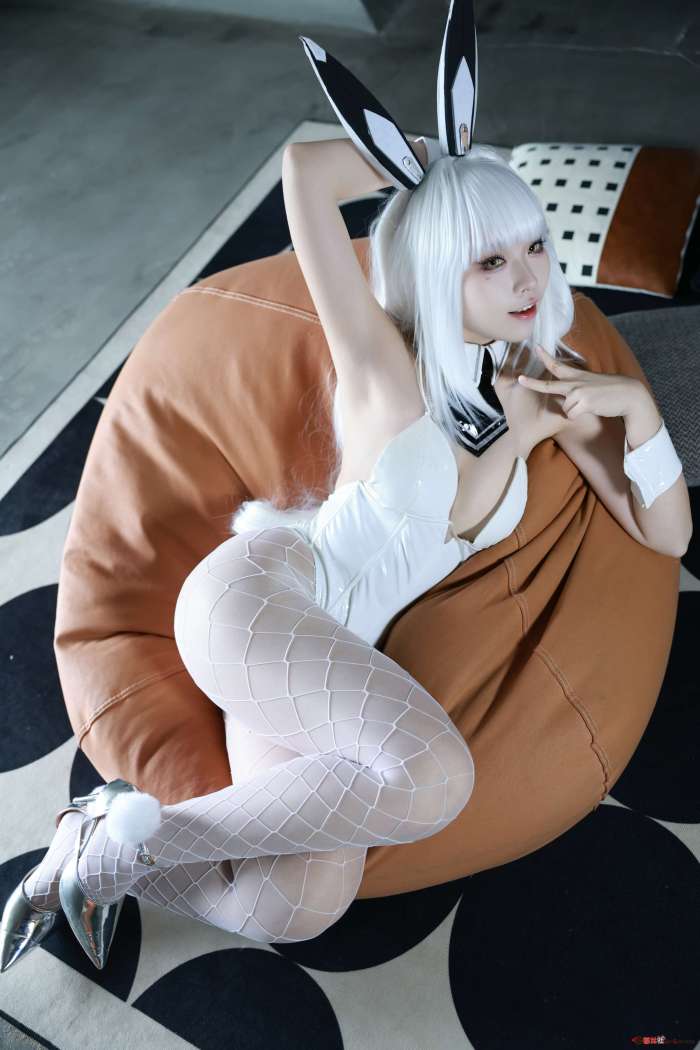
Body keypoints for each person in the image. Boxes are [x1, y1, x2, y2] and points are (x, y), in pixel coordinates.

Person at [2, 0, 687, 972]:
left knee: (300, 905)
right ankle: (115, 848)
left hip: (324, 674)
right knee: (437, 776)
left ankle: (103, 842)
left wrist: (639, 411)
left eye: (534, 246)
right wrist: (432, 165)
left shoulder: (545, 400)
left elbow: (664, 534)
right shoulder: (382, 363)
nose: (527, 279)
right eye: (488, 259)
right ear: (437, 267)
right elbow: (305, 173)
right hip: (258, 605)